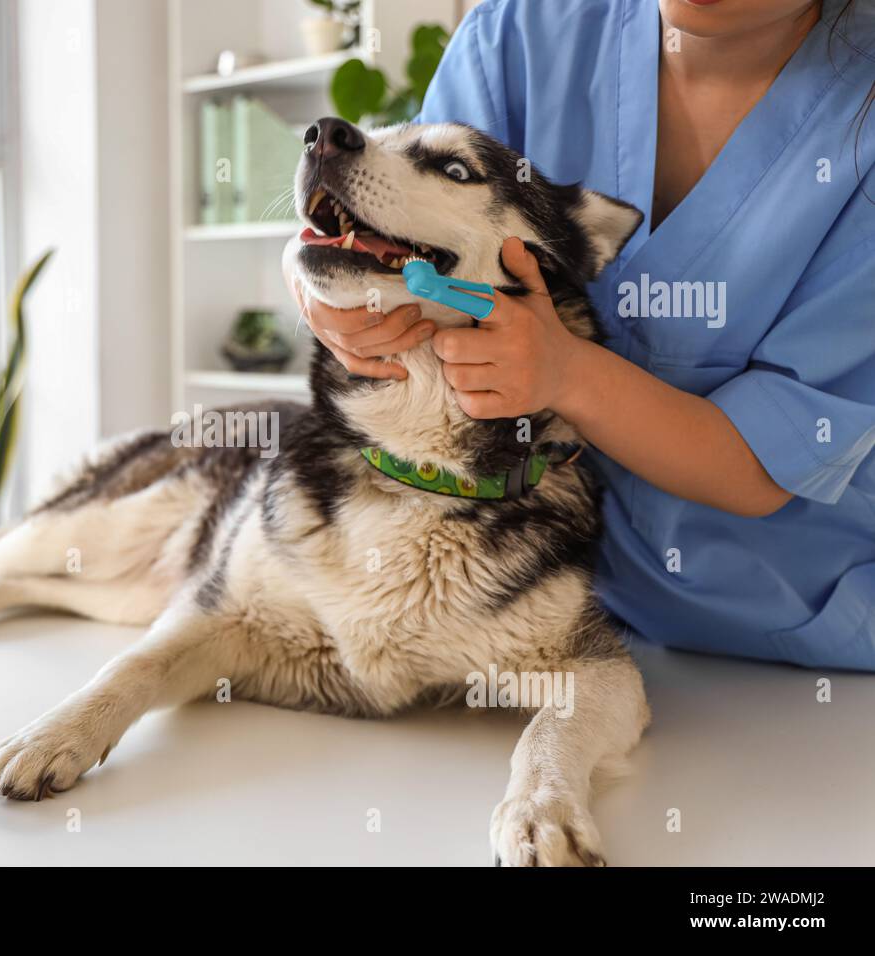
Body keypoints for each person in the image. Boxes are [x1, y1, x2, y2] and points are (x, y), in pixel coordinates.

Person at [291, 0, 875, 668]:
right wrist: (314, 275)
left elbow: (770, 461)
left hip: (790, 635)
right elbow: (396, 206)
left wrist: (566, 373)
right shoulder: (522, 32)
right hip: (533, 608)